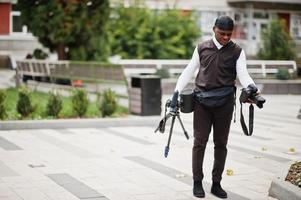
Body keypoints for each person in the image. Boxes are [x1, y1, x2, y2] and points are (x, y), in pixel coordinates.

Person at [170, 15, 258, 199]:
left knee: (221, 144)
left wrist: (252, 87)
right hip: (202, 103)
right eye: (222, 33)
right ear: (214, 29)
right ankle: (197, 182)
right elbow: (188, 71)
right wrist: (175, 94)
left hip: (224, 104)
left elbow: (243, 75)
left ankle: (216, 183)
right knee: (199, 142)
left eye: (229, 34)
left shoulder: (237, 51)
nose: (226, 37)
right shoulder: (202, 48)